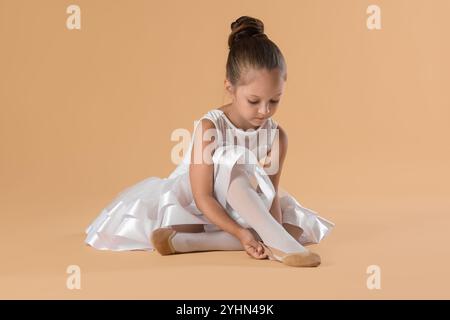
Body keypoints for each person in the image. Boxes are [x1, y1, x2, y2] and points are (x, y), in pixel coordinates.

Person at [85, 15, 334, 267]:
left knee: (294, 229)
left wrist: (274, 227)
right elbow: (202, 196)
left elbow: (270, 194)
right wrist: (241, 233)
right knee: (231, 159)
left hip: (244, 203)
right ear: (230, 87)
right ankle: (269, 240)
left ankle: (185, 243)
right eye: (253, 101)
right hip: (201, 203)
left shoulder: (277, 136)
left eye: (274, 100)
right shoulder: (210, 127)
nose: (264, 111)